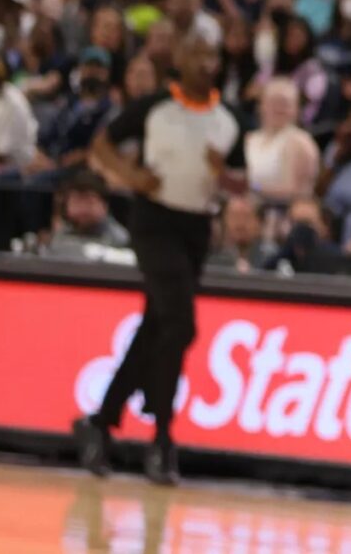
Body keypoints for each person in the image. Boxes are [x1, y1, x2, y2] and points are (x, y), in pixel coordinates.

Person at [72, 34, 240, 487]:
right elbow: (103, 145)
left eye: (212, 55)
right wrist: (128, 175)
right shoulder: (154, 107)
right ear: (180, 60)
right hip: (154, 221)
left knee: (158, 326)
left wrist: (225, 174)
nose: (206, 62)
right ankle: (162, 437)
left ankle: (102, 421)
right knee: (181, 324)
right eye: (198, 53)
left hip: (196, 228)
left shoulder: (228, 121)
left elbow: (242, 183)